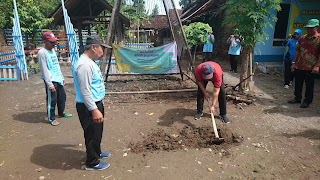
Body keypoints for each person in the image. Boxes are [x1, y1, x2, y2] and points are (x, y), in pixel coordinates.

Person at [73, 35, 111, 170]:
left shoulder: (90, 62)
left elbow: (94, 86)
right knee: (92, 133)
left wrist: (100, 101)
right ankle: (92, 162)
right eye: (102, 48)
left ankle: (97, 152)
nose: (103, 52)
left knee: (97, 131)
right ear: (94, 47)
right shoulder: (84, 65)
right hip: (88, 107)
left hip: (95, 103)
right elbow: (85, 90)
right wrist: (94, 109)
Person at [38, 31, 72, 126]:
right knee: (52, 100)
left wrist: (61, 77)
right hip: (51, 80)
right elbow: (44, 69)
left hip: (58, 78)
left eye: (54, 42)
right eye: (51, 42)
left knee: (62, 97)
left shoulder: (53, 51)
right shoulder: (42, 53)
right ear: (45, 41)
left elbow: (56, 65)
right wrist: (49, 83)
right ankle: (51, 118)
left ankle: (61, 113)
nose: (54, 44)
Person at [288, 19, 320, 108]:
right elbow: (298, 51)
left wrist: (317, 66)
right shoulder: (302, 38)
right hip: (300, 65)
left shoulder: (319, 39)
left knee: (309, 85)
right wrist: (293, 63)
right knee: (298, 83)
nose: (309, 30)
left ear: (317, 27)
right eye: (308, 28)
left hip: (311, 67)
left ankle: (307, 101)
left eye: (311, 28)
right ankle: (297, 98)